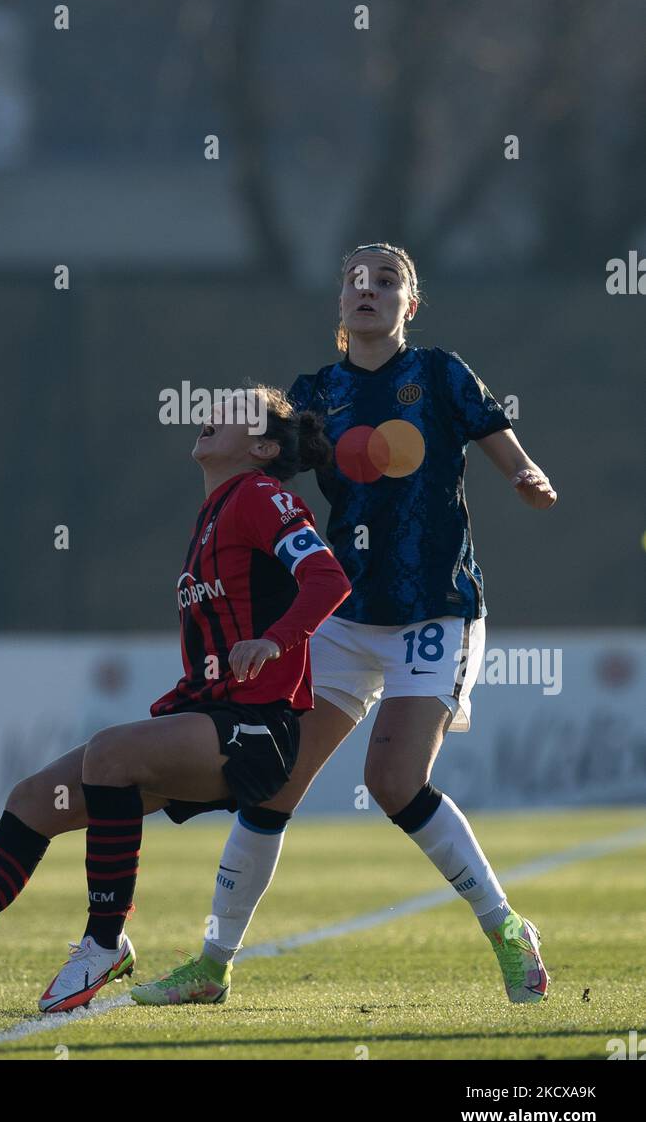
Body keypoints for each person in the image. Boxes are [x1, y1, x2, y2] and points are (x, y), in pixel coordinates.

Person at [131, 243, 558, 1008]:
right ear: (340, 304)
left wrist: (526, 475)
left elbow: (501, 445)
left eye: (387, 279)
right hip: (342, 614)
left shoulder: (441, 375)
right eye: (355, 279)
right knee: (273, 782)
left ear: (410, 304)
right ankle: (212, 965)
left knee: (393, 782)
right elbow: (261, 477)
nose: (369, 288)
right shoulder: (313, 395)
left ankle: (505, 927)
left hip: (436, 607)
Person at [0, 387, 350, 1011]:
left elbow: (327, 577)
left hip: (257, 730)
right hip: (206, 719)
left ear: (264, 447)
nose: (214, 412)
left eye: (237, 412)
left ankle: (104, 943)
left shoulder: (261, 495)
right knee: (32, 799)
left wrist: (274, 641)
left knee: (110, 753)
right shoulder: (214, 512)